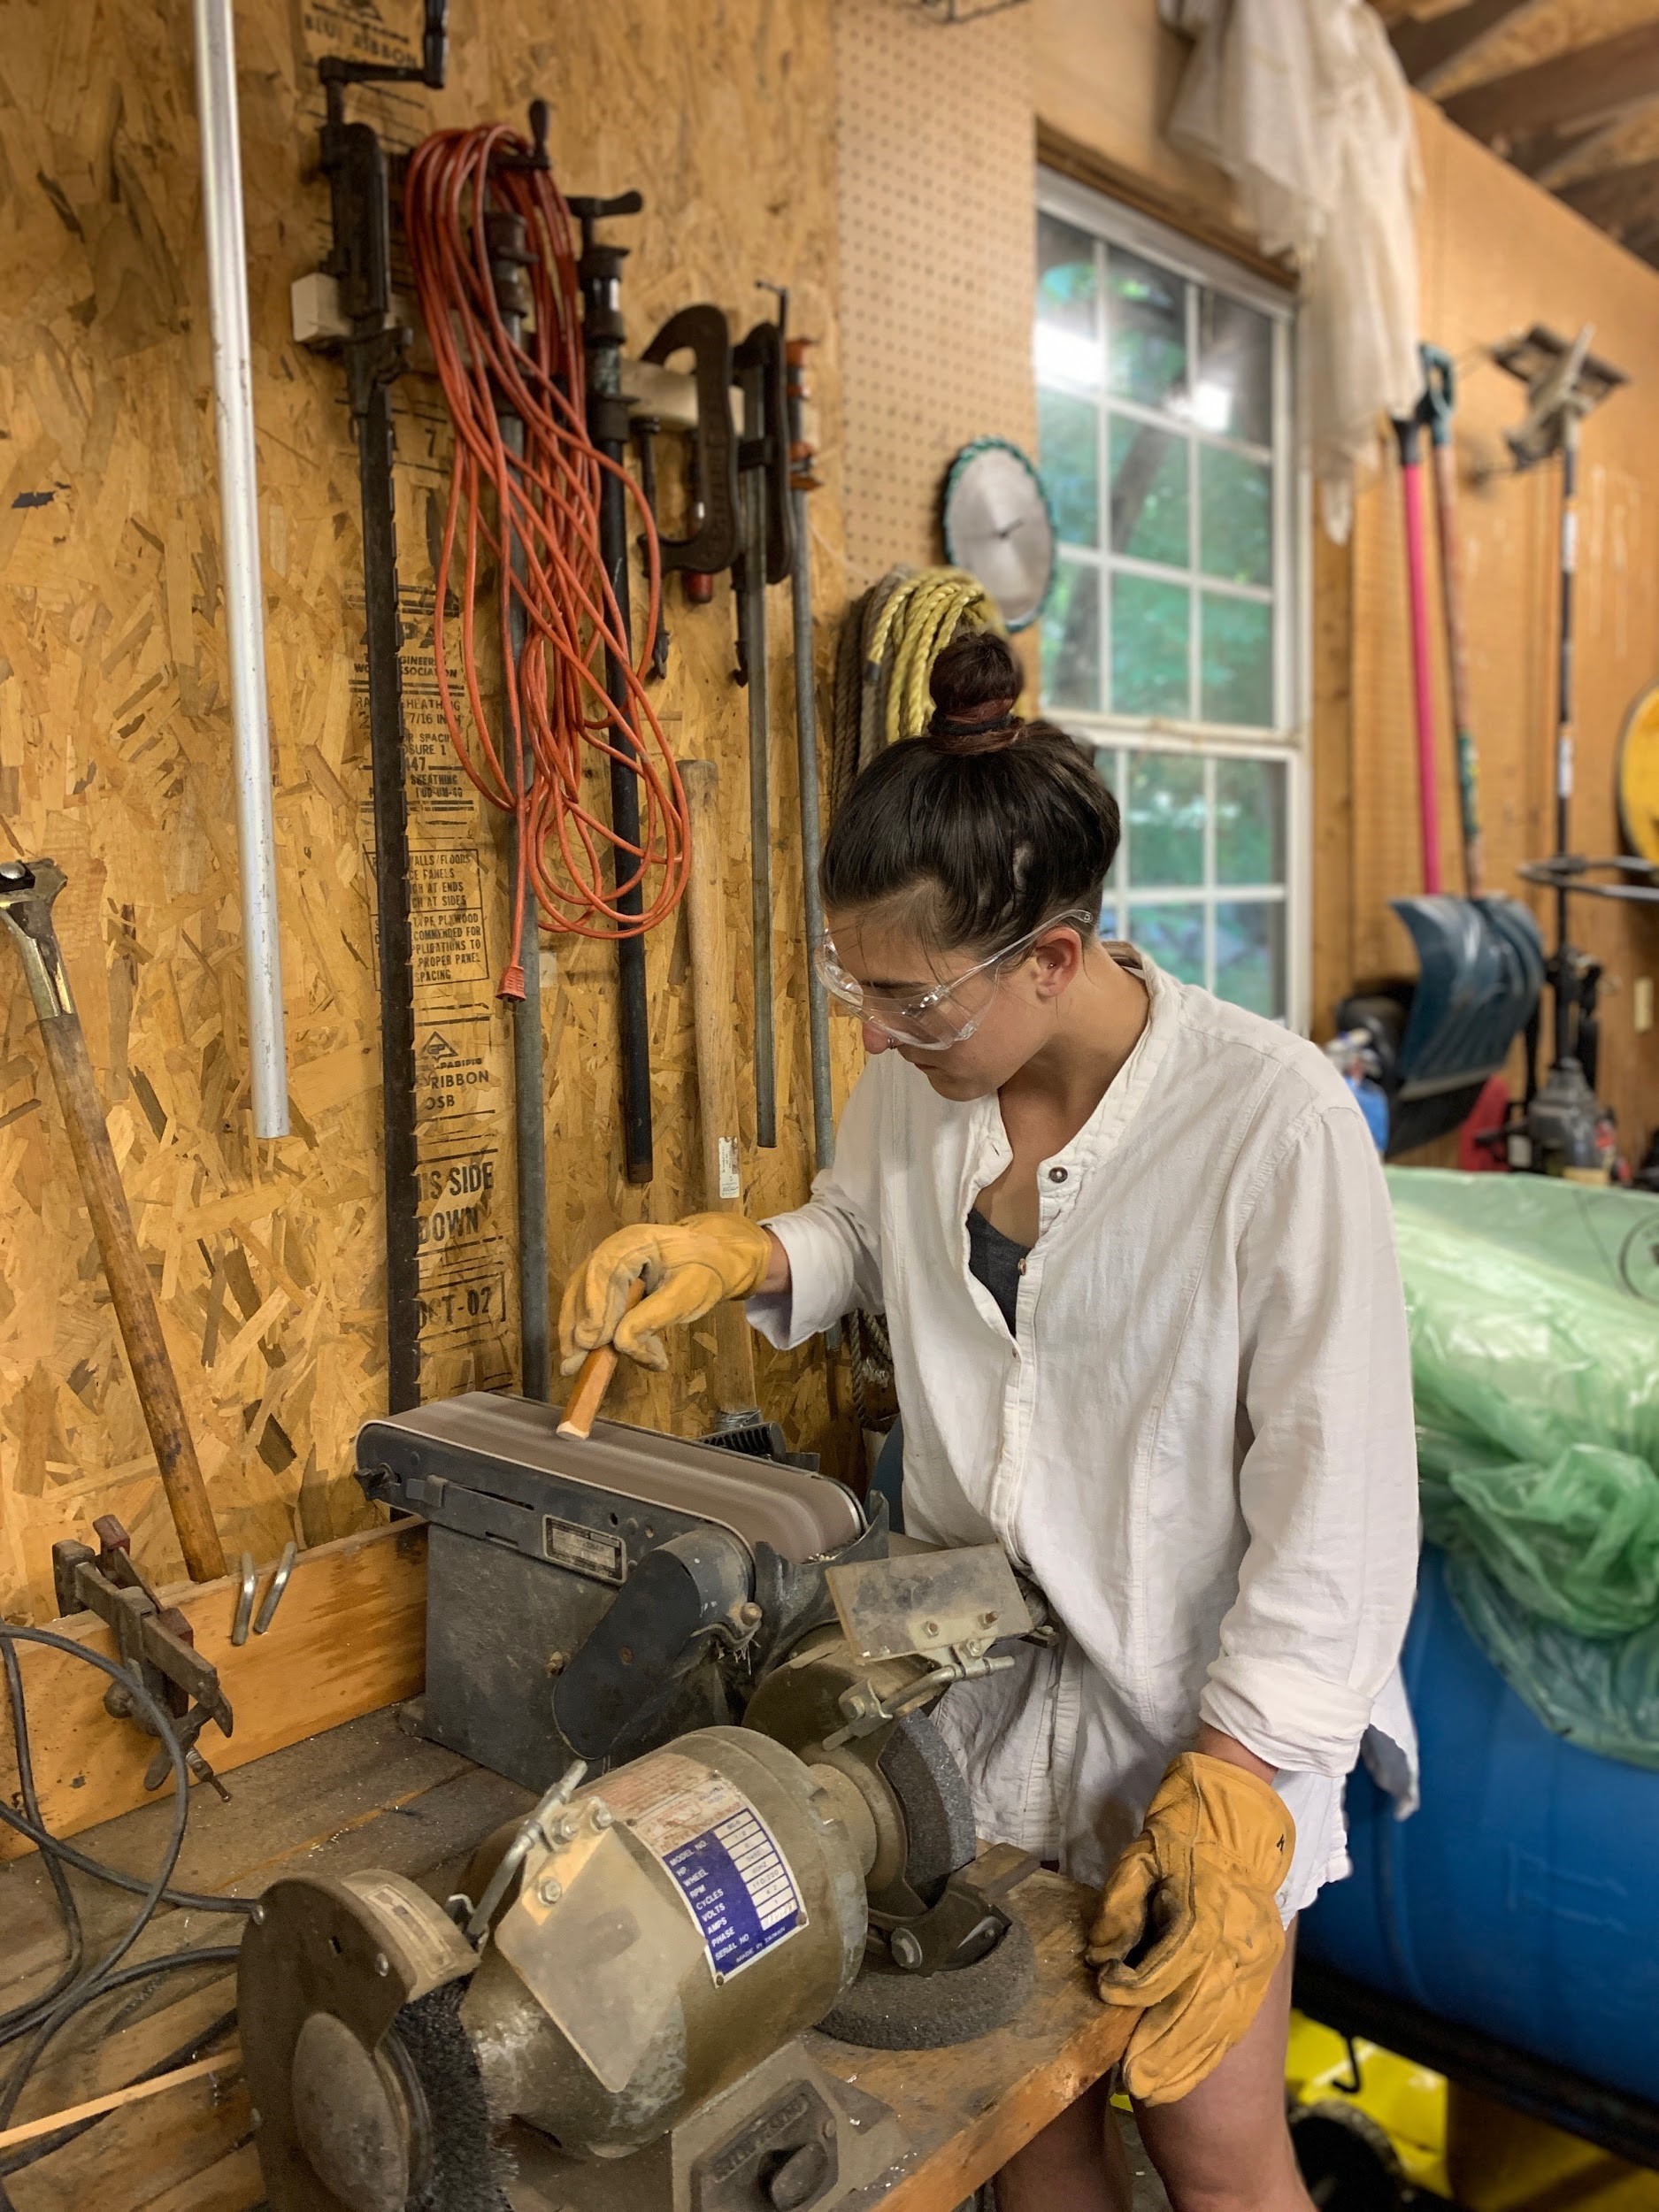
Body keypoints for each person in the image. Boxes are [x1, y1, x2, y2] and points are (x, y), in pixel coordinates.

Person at [558, 630, 1419, 2212]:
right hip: (968, 1683)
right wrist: (745, 1254)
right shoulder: (923, 1086)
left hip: (1195, 1718)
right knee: (1023, 2125)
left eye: (905, 997)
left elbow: (1341, 1505)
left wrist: (1241, 1772)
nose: (872, 1034)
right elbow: (867, 1233)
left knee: (1214, 2147)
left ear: (1052, 955)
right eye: (853, 986)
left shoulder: (1273, 1125)